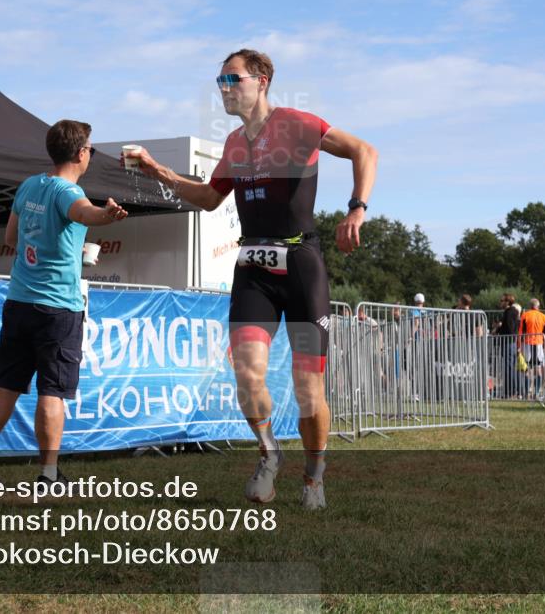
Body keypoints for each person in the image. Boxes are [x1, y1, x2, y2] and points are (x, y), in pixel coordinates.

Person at [127, 48, 377, 510]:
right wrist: (156, 170)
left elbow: (364, 150)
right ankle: (268, 454)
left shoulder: (297, 124)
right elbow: (207, 198)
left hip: (301, 262)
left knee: (308, 390)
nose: (224, 88)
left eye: (232, 79)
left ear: (260, 81)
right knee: (246, 373)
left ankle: (314, 476)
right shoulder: (234, 144)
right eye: (219, 81)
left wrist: (356, 209)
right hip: (253, 267)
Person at [0, 120, 127, 486]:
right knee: (52, 391)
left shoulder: (29, 185)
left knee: (6, 383)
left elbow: (11, 238)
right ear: (82, 153)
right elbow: (85, 213)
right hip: (57, 308)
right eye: (91, 150)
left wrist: (59, 249)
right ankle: (49, 474)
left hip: (19, 301)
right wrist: (107, 215)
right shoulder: (69, 192)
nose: (90, 156)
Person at [517, 298, 545, 400]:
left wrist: (518, 345)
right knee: (538, 370)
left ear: (530, 306)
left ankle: (527, 393)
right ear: (538, 306)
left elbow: (520, 332)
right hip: (539, 344)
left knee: (527, 369)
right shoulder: (544, 317)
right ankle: (536, 393)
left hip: (527, 344)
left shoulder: (525, 315)